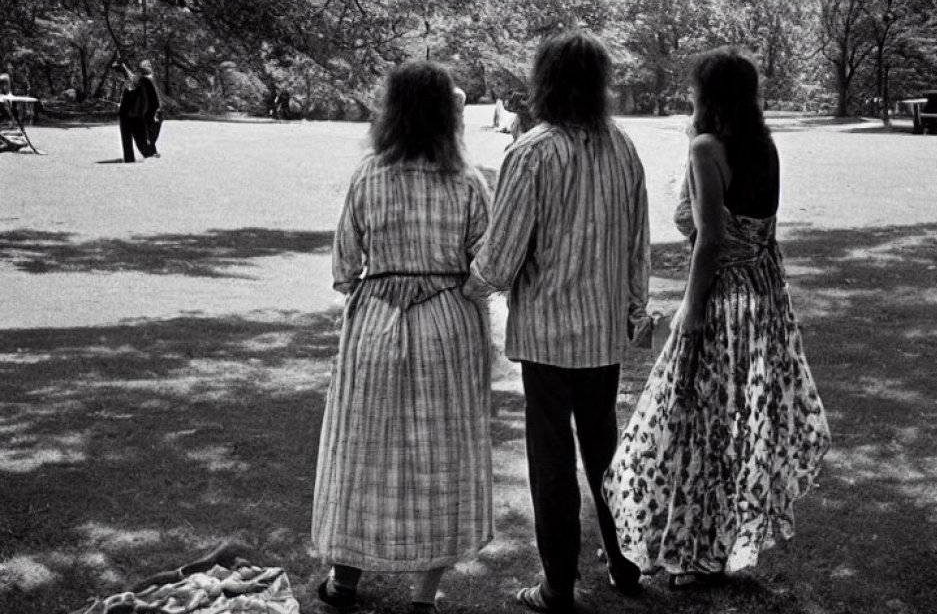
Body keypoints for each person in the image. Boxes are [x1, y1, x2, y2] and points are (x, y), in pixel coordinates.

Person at [603, 47, 831, 589]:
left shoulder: (708, 148)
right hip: (764, 299)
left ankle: (692, 551)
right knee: (732, 422)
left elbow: (709, 237)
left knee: (691, 418)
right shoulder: (765, 147)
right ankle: (709, 547)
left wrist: (691, 307)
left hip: (722, 298)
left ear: (708, 95)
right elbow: (761, 232)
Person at [467, 30, 651, 614]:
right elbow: (638, 245)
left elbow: (499, 258)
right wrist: (633, 308)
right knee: (605, 452)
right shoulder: (622, 146)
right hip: (602, 333)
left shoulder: (531, 152)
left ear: (544, 80)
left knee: (552, 463)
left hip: (549, 335)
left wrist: (459, 288)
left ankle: (557, 587)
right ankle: (625, 564)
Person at [312, 61, 494, 614]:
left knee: (363, 449)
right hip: (448, 326)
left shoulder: (368, 174)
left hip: (376, 323)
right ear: (448, 114)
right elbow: (486, 267)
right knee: (443, 454)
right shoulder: (467, 180)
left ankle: (345, 583)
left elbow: (344, 269)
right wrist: (448, 287)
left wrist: (387, 284)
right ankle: (424, 596)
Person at [118, 68, 153, 163]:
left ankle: (150, 156)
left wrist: (140, 114)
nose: (132, 79)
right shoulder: (126, 90)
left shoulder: (141, 89)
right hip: (124, 118)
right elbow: (123, 104)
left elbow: (145, 105)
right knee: (126, 142)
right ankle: (129, 160)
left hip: (137, 119)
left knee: (141, 142)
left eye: (137, 77)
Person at [135, 60, 163, 156]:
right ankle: (151, 150)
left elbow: (157, 95)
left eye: (148, 66)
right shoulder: (143, 80)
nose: (148, 68)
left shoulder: (151, 79)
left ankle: (151, 149)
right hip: (149, 109)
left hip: (154, 109)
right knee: (151, 130)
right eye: (145, 67)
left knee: (154, 129)